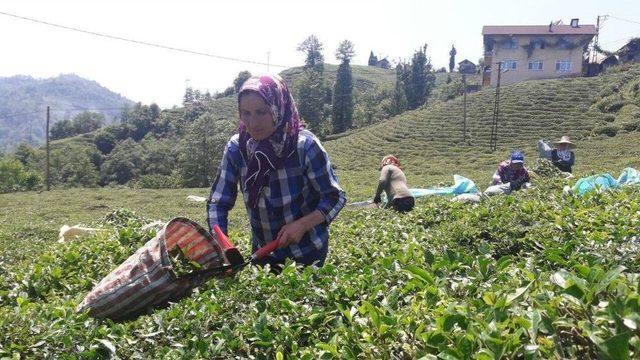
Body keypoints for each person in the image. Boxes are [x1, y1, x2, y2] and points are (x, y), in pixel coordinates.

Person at [207, 74, 346, 269]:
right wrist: (223, 247)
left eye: (261, 112)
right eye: (246, 113)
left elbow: (334, 197)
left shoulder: (305, 147)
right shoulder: (237, 148)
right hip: (263, 254)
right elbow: (217, 203)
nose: (253, 123)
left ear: (278, 107)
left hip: (308, 254)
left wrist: (302, 224)